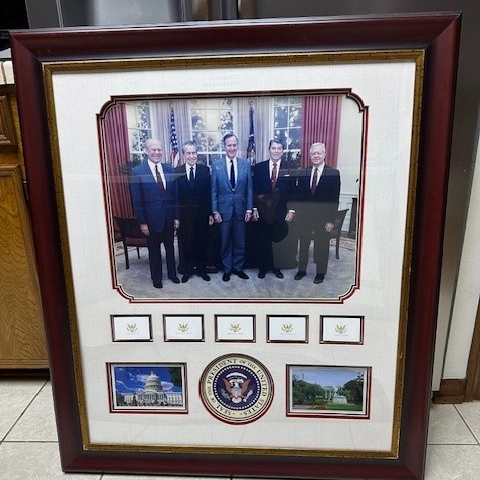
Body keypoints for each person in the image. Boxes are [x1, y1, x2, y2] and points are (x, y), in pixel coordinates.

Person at [129, 138, 180, 289]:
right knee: (154, 250)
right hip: (151, 221)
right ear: (146, 151)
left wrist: (177, 217)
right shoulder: (137, 171)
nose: (157, 153)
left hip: (169, 218)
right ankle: (156, 278)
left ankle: (172, 274)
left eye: (159, 150)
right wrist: (142, 222)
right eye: (153, 150)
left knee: (171, 248)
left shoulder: (170, 169)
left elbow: (175, 196)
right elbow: (137, 200)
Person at [293, 142, 340, 284]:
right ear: (310, 155)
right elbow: (299, 196)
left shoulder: (333, 173)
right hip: (304, 218)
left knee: (322, 245)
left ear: (325, 154)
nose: (316, 156)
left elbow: (334, 199)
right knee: (304, 245)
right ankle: (302, 270)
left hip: (323, 219)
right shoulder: (304, 172)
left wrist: (331, 220)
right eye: (313, 153)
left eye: (319, 153)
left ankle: (320, 273)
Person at [211, 133, 253, 282]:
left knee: (240, 241)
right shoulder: (216, 166)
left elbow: (249, 189)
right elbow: (214, 191)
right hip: (223, 211)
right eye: (229, 145)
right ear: (224, 146)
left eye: (234, 144)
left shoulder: (245, 164)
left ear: (237, 146)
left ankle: (238, 267)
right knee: (225, 241)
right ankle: (227, 269)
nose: (232, 148)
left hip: (241, 209)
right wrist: (215, 210)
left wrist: (249, 209)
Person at [252, 139, 296, 278]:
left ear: (282, 151)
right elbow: (254, 189)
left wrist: (292, 209)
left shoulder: (290, 167)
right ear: (269, 150)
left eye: (279, 148)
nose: (276, 151)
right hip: (263, 209)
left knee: (277, 239)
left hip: (280, 210)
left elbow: (295, 190)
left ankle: (277, 268)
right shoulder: (259, 167)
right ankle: (263, 268)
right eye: (273, 148)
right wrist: (254, 208)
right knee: (263, 239)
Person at [175, 141, 213, 283]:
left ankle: (202, 270)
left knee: (202, 242)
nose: (191, 156)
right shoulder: (177, 171)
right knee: (186, 242)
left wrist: (210, 213)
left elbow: (208, 193)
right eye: (188, 153)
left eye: (193, 153)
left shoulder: (204, 170)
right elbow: (176, 196)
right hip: (185, 215)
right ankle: (187, 270)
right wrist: (176, 217)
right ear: (184, 155)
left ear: (197, 154)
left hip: (202, 213)